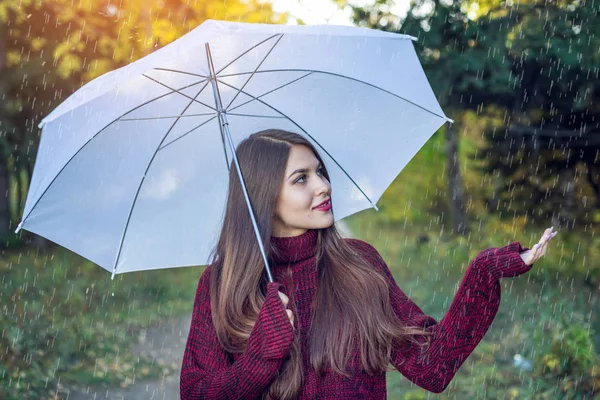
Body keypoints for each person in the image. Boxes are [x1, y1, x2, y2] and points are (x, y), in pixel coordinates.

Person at [180, 129, 557, 400]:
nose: (323, 186)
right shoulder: (221, 285)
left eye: (320, 172)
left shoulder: (359, 263)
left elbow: (432, 366)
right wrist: (260, 356)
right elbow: (197, 393)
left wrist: (483, 274)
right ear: (263, 198)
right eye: (301, 179)